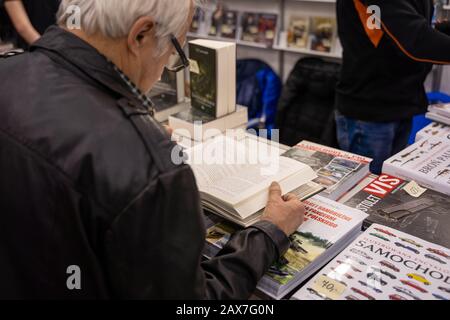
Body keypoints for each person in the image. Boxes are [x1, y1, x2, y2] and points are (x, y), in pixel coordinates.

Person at [0, 0, 305, 299]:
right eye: (173, 53)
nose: (163, 71)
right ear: (141, 34)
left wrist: (129, 133)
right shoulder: (153, 169)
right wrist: (269, 233)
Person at [335, 0, 450, 174]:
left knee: (390, 182)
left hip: (402, 100)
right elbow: (416, 38)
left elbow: (422, 27)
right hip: (370, 110)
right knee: (362, 189)